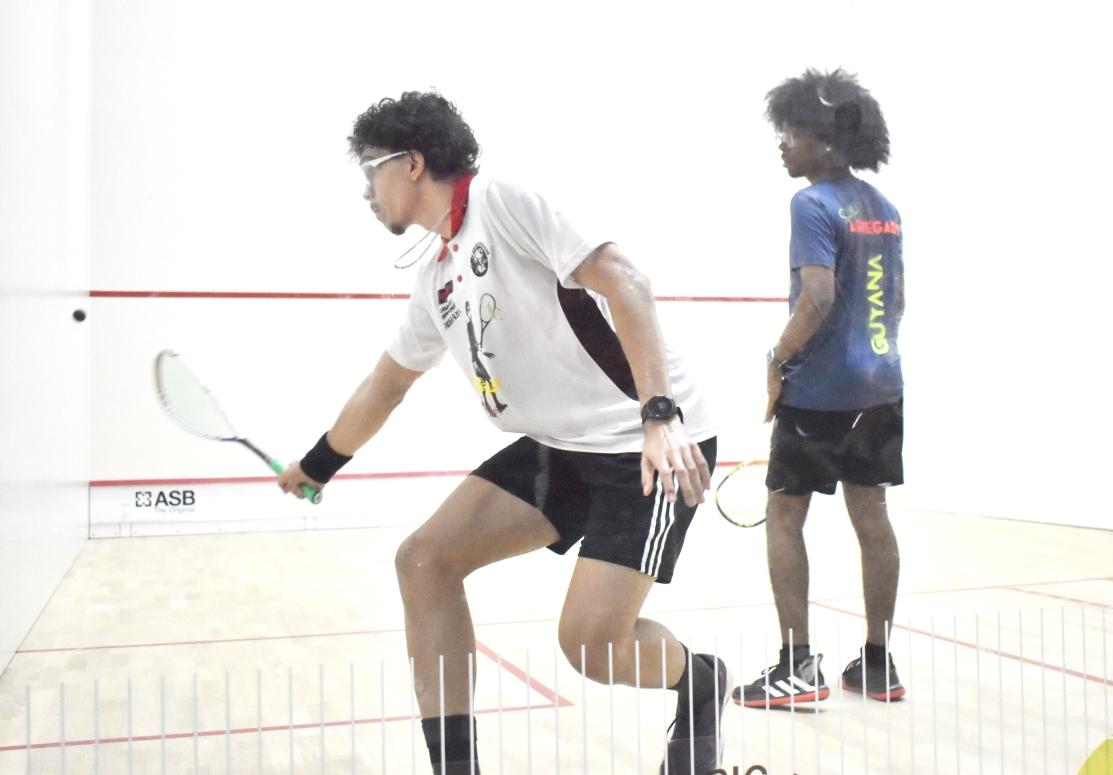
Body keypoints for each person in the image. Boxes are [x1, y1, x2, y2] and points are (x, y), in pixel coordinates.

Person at [277, 91, 727, 774]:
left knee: (592, 647)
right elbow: (386, 384)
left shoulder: (504, 202)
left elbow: (626, 282)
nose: (366, 191)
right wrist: (318, 464)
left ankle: (699, 679)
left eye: (371, 169)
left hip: (647, 447)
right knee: (424, 560)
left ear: (413, 162)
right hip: (559, 447)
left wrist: (659, 416)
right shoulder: (437, 275)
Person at [733, 69, 907, 709]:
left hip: (820, 394)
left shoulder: (810, 205)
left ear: (827, 142)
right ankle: (879, 665)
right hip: (881, 386)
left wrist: (778, 360)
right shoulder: (884, 210)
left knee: (785, 515)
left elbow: (818, 296)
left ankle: (797, 667)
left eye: (793, 132)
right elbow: (897, 300)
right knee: (872, 517)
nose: (783, 143)